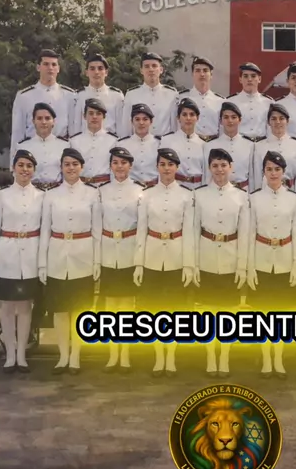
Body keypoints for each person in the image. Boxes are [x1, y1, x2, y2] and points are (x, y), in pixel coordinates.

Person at [38, 148, 102, 375]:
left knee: (79, 310)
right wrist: (42, 263)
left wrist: (97, 261)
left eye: (75, 164)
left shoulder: (93, 194)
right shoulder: (51, 195)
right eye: (67, 164)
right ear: (61, 167)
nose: (71, 168)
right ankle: (63, 355)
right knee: (60, 310)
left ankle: (75, 356)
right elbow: (45, 231)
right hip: (57, 256)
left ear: (82, 167)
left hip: (82, 255)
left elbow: (97, 231)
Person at [134, 148, 195, 377]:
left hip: (176, 255)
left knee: (175, 310)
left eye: (170, 164)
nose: (166, 168)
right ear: (157, 167)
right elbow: (141, 231)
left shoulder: (187, 195)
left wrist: (188, 264)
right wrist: (139, 263)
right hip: (152, 256)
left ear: (177, 167)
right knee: (154, 309)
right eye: (162, 164)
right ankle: (159, 356)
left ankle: (171, 357)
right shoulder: (146, 195)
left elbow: (189, 232)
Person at [194, 148, 249, 377]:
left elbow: (244, 233)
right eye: (215, 166)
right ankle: (210, 357)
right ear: (209, 168)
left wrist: (242, 265)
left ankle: (224, 358)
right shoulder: (199, 195)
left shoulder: (241, 196)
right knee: (208, 311)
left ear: (231, 167)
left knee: (228, 313)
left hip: (230, 256)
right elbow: (194, 231)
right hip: (206, 256)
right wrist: (193, 263)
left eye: (223, 165)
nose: (219, 170)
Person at [247, 151, 296, 379]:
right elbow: (250, 234)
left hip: (285, 260)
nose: (273, 173)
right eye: (269, 169)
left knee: (282, 314)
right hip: (261, 259)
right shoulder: (254, 198)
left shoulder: (294, 199)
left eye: (277, 169)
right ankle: (265, 359)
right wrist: (249, 266)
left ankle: (278, 359)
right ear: (263, 172)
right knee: (262, 314)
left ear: (283, 172)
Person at [0, 150, 44, 373]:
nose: (24, 170)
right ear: (13, 168)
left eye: (29, 166)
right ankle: (9, 354)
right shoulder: (1, 196)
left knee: (25, 306)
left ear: (34, 170)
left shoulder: (41, 196)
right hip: (7, 255)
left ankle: (21, 354)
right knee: (8, 306)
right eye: (21, 165)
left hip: (30, 254)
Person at [98, 147, 144, 373]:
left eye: (124, 162)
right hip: (108, 250)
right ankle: (112, 353)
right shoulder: (101, 191)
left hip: (128, 248)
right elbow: (97, 224)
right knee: (109, 306)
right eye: (116, 162)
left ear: (130, 166)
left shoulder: (140, 191)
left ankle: (125, 353)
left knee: (127, 305)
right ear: (110, 165)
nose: (119, 166)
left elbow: (142, 227)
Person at [10, 49, 76, 161]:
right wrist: (14, 164)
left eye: (54, 65)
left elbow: (74, 131)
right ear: (38, 67)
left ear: (58, 69)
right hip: (31, 153)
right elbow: (17, 133)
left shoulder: (70, 96)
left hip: (60, 153)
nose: (50, 68)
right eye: (46, 64)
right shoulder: (24, 96)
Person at [120, 52, 178, 138]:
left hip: (165, 143)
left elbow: (175, 125)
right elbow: (126, 126)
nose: (151, 69)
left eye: (154, 66)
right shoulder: (131, 94)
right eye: (146, 66)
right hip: (140, 143)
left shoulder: (172, 94)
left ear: (161, 70)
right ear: (141, 70)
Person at [253, 103, 296, 193]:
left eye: (281, 118)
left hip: (290, 192)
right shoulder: (259, 146)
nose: (278, 122)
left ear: (287, 121)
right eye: (273, 119)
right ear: (268, 122)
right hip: (267, 192)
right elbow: (257, 176)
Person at [203, 101, 255, 192]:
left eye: (233, 117)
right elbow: (207, 176)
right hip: (218, 191)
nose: (230, 121)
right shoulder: (210, 146)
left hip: (244, 191)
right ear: (220, 121)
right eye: (226, 117)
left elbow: (253, 176)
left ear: (240, 120)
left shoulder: (250, 145)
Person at [17, 103, 67, 190]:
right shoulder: (23, 146)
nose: (43, 122)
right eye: (39, 118)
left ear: (53, 121)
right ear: (33, 121)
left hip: (56, 192)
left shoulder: (65, 145)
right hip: (32, 192)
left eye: (47, 118)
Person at [159, 98, 206, 190]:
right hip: (175, 189)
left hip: (197, 189)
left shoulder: (204, 144)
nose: (188, 118)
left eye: (192, 114)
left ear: (197, 118)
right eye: (184, 114)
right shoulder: (167, 141)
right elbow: (161, 170)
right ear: (178, 118)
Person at [72, 53, 124, 136]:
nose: (96, 72)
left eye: (100, 68)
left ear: (106, 72)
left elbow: (121, 126)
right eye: (92, 69)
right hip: (85, 140)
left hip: (110, 141)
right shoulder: (79, 95)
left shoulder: (116, 95)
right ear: (86, 72)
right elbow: (76, 126)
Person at [69, 98, 118, 186]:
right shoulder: (74, 141)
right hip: (81, 187)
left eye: (98, 113)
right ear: (84, 116)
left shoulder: (113, 141)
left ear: (104, 116)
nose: (94, 117)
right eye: (91, 113)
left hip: (104, 186)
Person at [177, 56, 224, 141]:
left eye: (205, 71)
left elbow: (222, 128)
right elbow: (176, 124)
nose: (202, 74)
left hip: (213, 143)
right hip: (189, 142)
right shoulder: (181, 98)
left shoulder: (220, 101)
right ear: (192, 74)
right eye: (198, 71)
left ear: (211, 75)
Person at [226, 63, 273, 142]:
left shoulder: (269, 102)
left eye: (253, 76)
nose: (249, 79)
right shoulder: (231, 102)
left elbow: (272, 128)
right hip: (240, 144)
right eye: (245, 76)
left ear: (259, 79)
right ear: (240, 79)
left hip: (262, 144)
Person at [117, 103, 160, 187]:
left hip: (154, 188)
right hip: (130, 189)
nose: (141, 123)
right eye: (137, 119)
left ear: (151, 121)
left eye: (145, 119)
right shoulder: (122, 144)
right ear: (132, 121)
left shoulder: (160, 143)